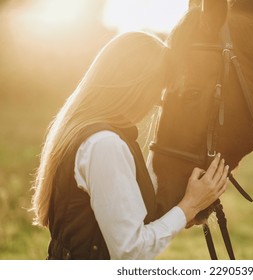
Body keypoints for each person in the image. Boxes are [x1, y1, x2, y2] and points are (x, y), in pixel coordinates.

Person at [31, 32, 229, 260]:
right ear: (136, 84)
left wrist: (181, 212)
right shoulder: (105, 145)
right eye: (159, 87)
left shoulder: (92, 135)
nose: (158, 101)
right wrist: (189, 206)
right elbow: (129, 252)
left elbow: (120, 227)